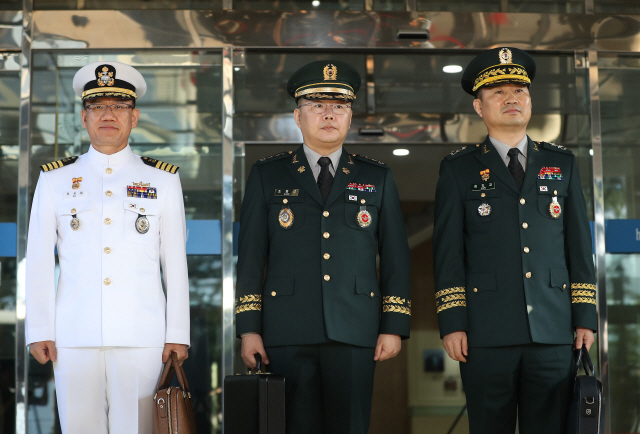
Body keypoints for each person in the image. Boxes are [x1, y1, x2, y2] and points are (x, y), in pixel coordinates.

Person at [235, 60, 411, 434]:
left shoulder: (376, 176)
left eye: (340, 107)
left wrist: (393, 325)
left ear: (350, 118)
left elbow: (396, 256)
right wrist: (248, 328)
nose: (329, 114)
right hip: (286, 330)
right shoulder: (268, 175)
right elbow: (251, 257)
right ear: (298, 117)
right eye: (318, 105)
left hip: (356, 330)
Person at [433, 47, 598, 434]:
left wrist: (584, 315)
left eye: (519, 91)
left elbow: (578, 248)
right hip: (485, 333)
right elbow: (448, 255)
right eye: (499, 93)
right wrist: (452, 322)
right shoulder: (458, 170)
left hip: (554, 331)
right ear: (478, 106)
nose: (512, 100)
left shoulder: (563, 164)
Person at [25, 61, 190, 434]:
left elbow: (175, 262)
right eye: (99, 107)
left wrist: (177, 332)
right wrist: (39, 328)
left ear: (134, 117)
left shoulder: (162, 179)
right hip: (72, 335)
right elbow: (37, 259)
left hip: (142, 336)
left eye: (118, 107)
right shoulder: (55, 179)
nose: (108, 115)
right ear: (84, 118)